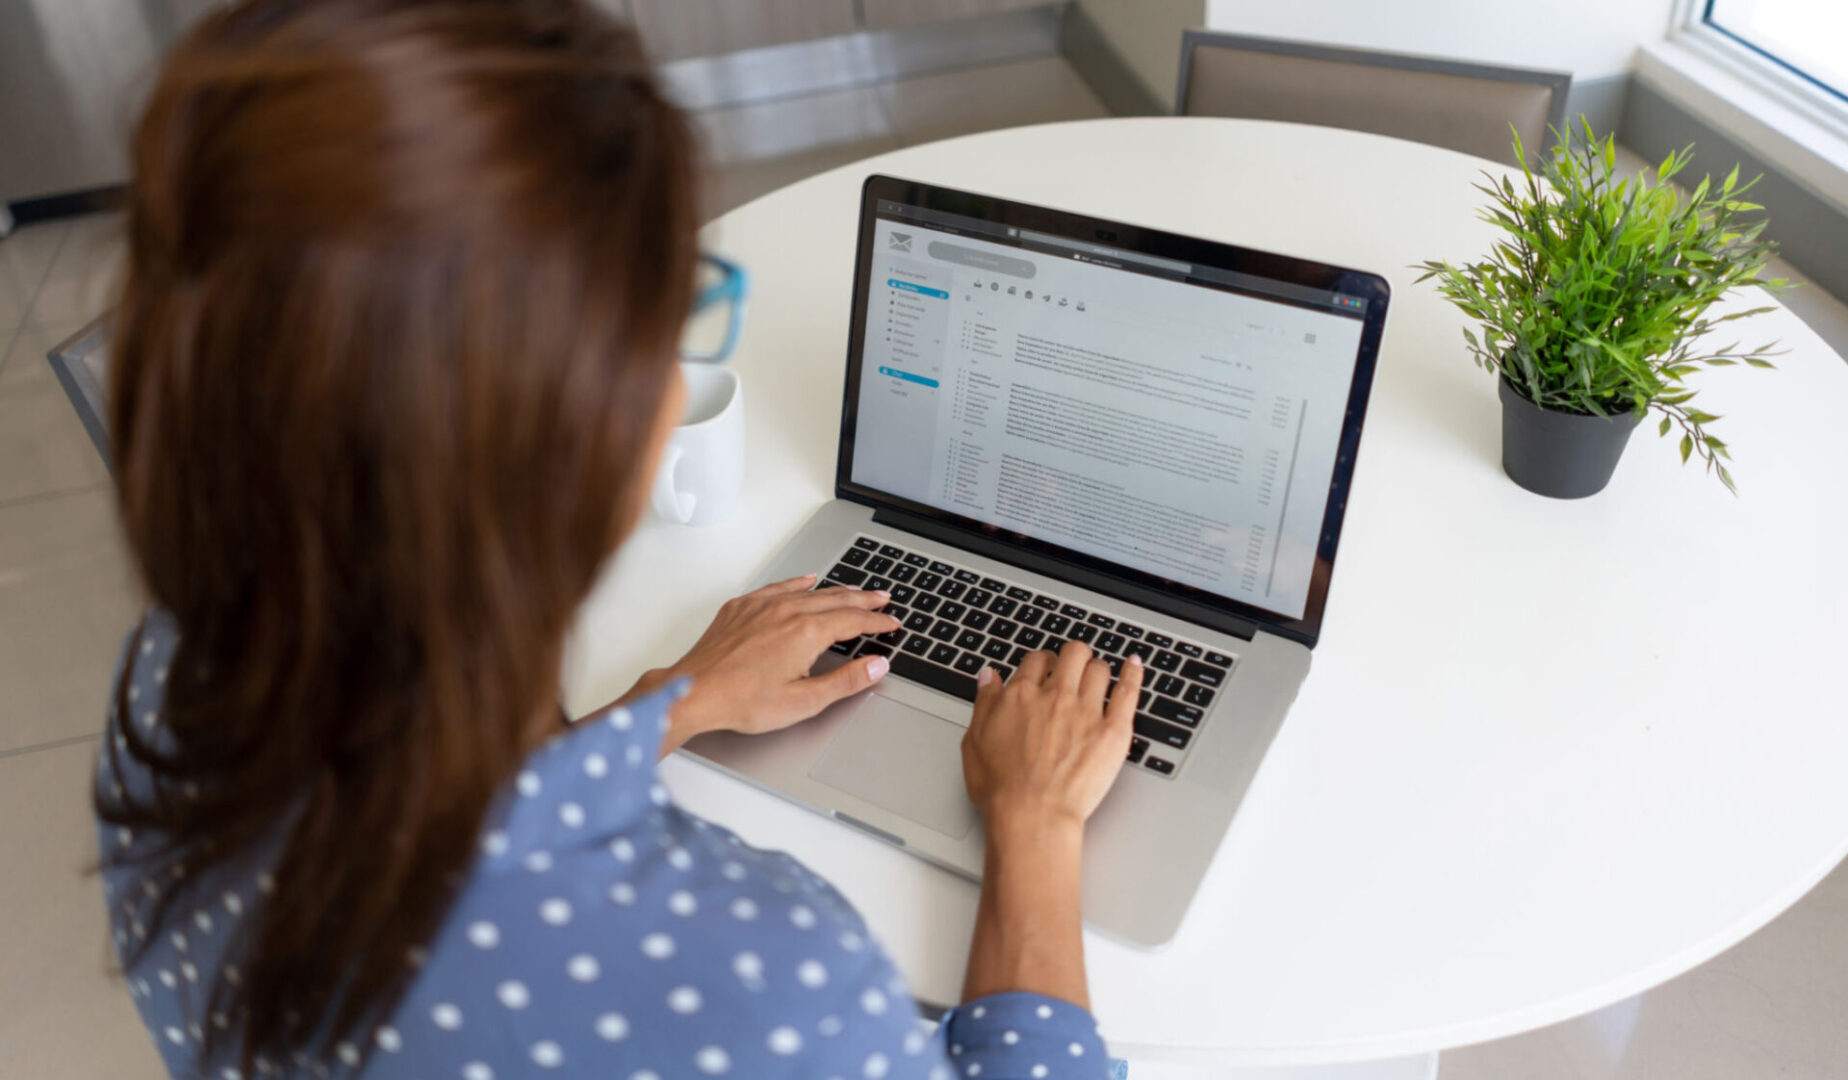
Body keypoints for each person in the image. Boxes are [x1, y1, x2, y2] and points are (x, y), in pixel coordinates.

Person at [93, 2, 1146, 1078]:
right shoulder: (755, 986)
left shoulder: (174, 684)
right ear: (570, 440)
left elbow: (459, 830)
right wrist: (1035, 821)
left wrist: (671, 705)